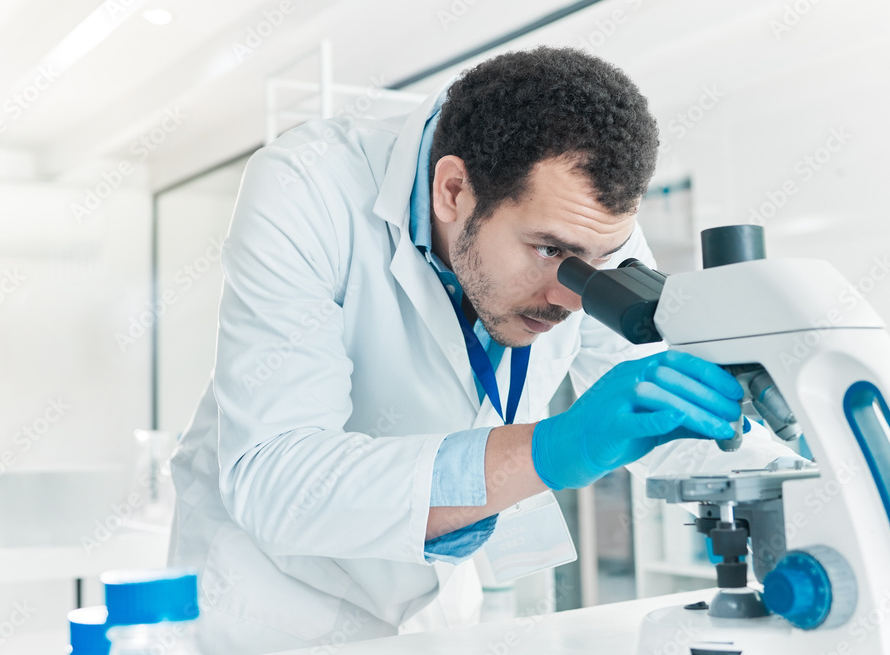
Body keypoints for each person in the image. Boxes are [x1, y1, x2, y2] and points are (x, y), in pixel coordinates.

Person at [167, 47, 791, 654]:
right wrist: (550, 450)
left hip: (439, 600)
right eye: (549, 252)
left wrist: (782, 463)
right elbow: (278, 480)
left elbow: (661, 413)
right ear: (453, 189)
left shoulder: (587, 224)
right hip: (274, 607)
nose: (572, 297)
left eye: (601, 260)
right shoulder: (310, 187)